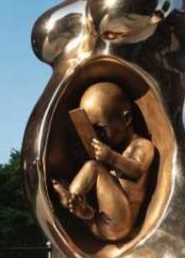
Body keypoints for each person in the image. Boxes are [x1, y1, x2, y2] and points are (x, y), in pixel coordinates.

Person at [52, 81, 154, 241]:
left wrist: (111, 157)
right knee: (92, 168)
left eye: (100, 129)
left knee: (94, 167)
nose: (97, 136)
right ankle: (79, 205)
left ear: (126, 119)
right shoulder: (111, 150)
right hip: (99, 219)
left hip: (120, 222)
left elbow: (137, 170)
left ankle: (73, 197)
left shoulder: (142, 145)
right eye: (92, 130)